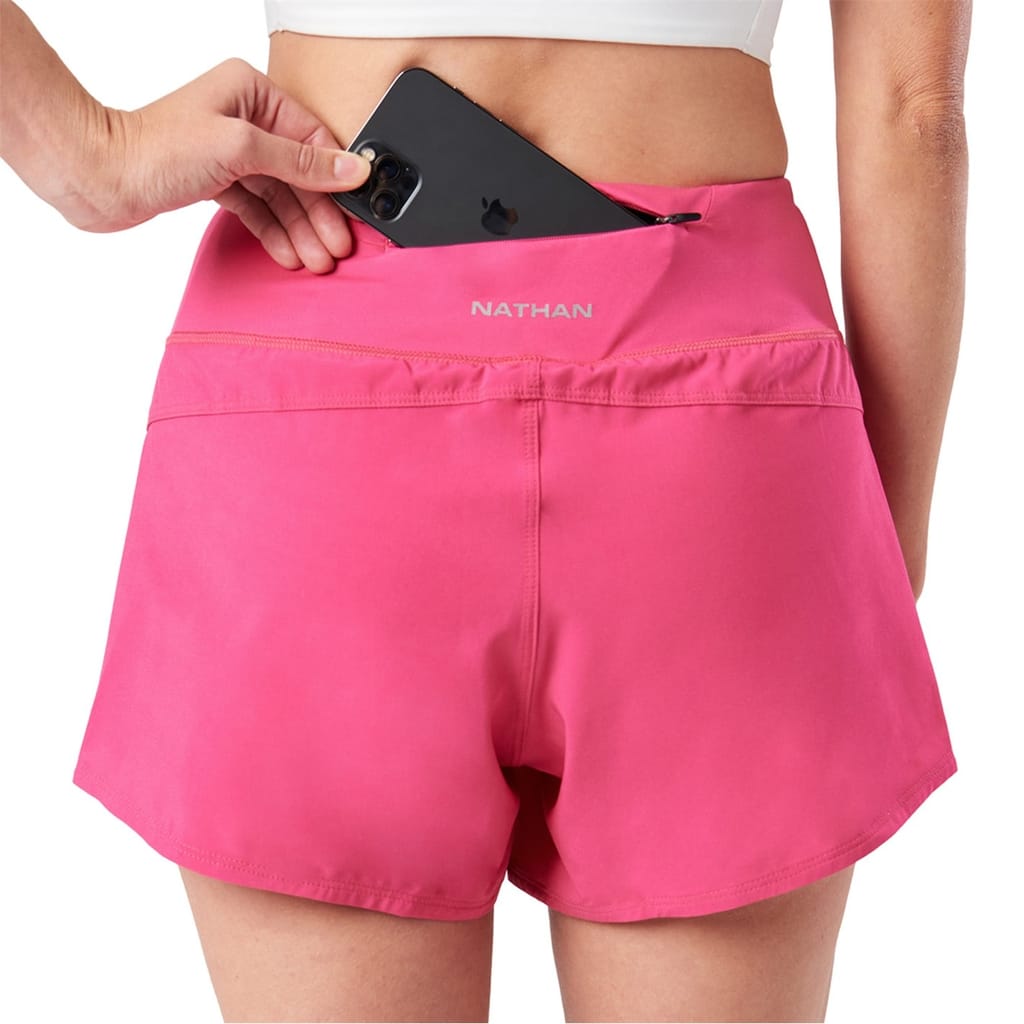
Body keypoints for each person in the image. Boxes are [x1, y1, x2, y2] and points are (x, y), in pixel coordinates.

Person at [1, 1, 970, 1020]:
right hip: (719, 429)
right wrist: (878, 545)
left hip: (323, 392)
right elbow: (914, 116)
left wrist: (88, 154)